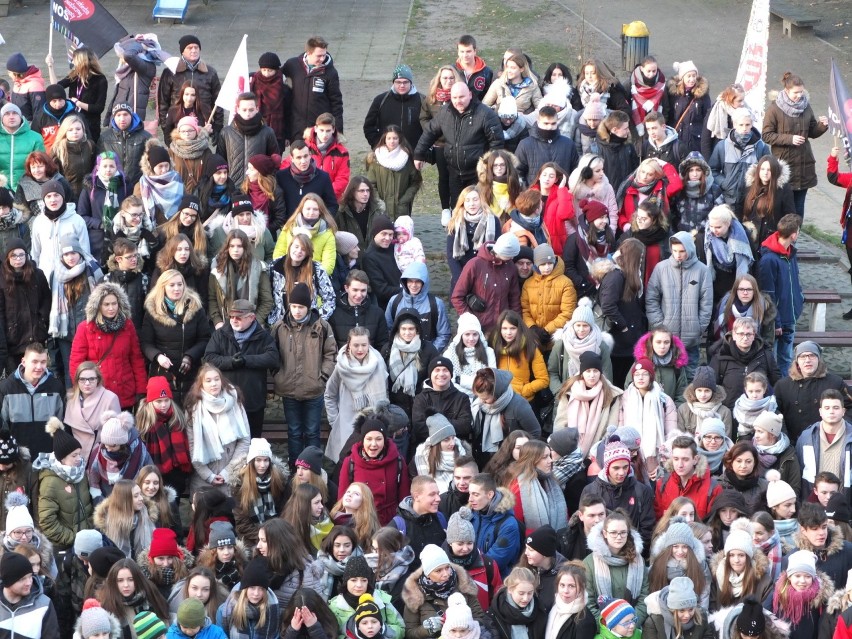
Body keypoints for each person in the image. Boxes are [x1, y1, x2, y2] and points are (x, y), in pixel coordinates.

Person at [270, 282, 336, 464]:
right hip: (289, 389)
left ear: (308, 306)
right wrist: (278, 374)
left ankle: (313, 468)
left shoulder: (321, 326)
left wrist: (322, 376)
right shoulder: (279, 327)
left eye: (301, 307)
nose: (297, 311)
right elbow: (271, 353)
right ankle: (295, 469)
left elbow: (331, 353)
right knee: (294, 431)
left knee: (312, 431)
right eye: (294, 306)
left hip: (313, 389)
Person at [413, 82, 503, 206]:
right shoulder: (445, 112)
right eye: (454, 97)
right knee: (457, 206)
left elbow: (497, 143)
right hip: (454, 171)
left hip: (477, 173)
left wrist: (489, 168)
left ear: (470, 95)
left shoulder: (485, 114)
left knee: (477, 206)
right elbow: (430, 132)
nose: (458, 101)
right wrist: (419, 154)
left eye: (461, 97)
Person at [203, 299, 279, 439]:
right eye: (231, 317)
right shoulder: (220, 334)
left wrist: (247, 360)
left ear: (251, 317)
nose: (234, 320)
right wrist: (231, 362)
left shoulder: (263, 336)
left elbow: (273, 358)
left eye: (239, 317)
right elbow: (209, 357)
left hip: (253, 402)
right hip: (226, 402)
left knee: (253, 442)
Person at [68, 281, 146, 411]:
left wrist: (141, 390)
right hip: (97, 393)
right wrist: (82, 389)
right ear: (98, 306)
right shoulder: (85, 328)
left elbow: (136, 359)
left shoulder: (127, 326)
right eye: (106, 304)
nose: (111, 308)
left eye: (114, 303)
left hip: (124, 392)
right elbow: (76, 363)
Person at [762, 72, 828, 218]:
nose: (799, 95)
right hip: (784, 165)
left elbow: (812, 131)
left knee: (799, 208)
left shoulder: (806, 106)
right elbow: (766, 135)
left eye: (801, 92)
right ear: (786, 91)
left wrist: (822, 126)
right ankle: (780, 238)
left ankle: (794, 238)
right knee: (782, 206)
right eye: (795, 93)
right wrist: (790, 139)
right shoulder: (774, 109)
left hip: (804, 165)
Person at [645, 232, 712, 377]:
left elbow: (707, 303)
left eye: (682, 251)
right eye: (674, 251)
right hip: (665, 339)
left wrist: (698, 327)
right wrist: (659, 325)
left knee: (690, 378)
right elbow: (651, 298)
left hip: (691, 340)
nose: (678, 255)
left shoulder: (702, 270)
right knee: (664, 377)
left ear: (690, 249)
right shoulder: (661, 268)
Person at [140, 270, 211, 403]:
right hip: (162, 371)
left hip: (190, 370)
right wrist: (157, 356)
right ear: (163, 287)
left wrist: (190, 356)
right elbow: (146, 342)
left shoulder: (195, 308)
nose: (177, 288)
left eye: (180, 284)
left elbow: (205, 338)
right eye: (172, 285)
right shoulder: (152, 310)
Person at [324, 327, 389, 464]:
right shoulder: (341, 367)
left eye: (364, 345)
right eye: (356, 345)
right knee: (348, 465)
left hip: (373, 423)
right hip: (347, 425)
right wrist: (335, 420)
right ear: (349, 344)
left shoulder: (378, 362)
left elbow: (385, 394)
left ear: (369, 344)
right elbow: (329, 394)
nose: (360, 349)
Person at [401, 543, 490, 639]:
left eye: (447, 567)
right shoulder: (415, 596)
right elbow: (409, 633)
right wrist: (426, 629)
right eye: (438, 571)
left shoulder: (464, 586)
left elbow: (480, 618)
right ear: (427, 574)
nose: (446, 574)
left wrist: (465, 626)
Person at [774, 340, 852, 442]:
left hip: (827, 441)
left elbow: (850, 407)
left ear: (818, 359)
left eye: (811, 356)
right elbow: (775, 413)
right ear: (797, 361)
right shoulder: (782, 386)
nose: (807, 360)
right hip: (793, 442)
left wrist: (839, 427)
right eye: (803, 356)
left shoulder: (835, 382)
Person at [338, 418, 410, 527]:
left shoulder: (398, 461)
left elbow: (404, 497)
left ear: (384, 440)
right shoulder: (350, 462)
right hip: (359, 523)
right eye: (369, 439)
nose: (373, 444)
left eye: (378, 439)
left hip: (389, 523)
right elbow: (342, 499)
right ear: (362, 440)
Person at [757, 213, 803, 376]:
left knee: (787, 358)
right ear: (793, 234)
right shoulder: (769, 260)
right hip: (777, 322)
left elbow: (795, 281)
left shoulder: (791, 253)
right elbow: (768, 293)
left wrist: (799, 301)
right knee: (774, 361)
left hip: (790, 316)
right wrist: (775, 322)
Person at [584, 511, 649, 625]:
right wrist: (609, 626)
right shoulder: (589, 563)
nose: (619, 537)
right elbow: (588, 602)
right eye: (613, 532)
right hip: (603, 630)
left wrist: (631, 623)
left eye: (623, 532)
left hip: (633, 628)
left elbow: (644, 598)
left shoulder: (638, 561)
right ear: (604, 533)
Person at [0, 343, 64, 456]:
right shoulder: (6, 388)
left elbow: (62, 425)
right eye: (34, 362)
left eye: (43, 362)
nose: (39, 367)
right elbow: (2, 426)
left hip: (48, 457)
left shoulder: (56, 387)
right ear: (23, 362)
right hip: (17, 458)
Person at [552, 352, 623, 455]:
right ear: (582, 373)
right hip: (568, 450)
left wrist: (597, 453)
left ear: (600, 373)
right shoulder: (569, 393)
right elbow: (560, 424)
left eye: (595, 371)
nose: (592, 375)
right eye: (588, 371)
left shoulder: (612, 396)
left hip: (597, 452)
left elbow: (611, 427)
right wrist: (560, 450)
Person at [452, 234, 521, 334]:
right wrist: (471, 320)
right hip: (478, 329)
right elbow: (457, 297)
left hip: (502, 329)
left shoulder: (510, 267)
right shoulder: (475, 264)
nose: (512, 258)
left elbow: (514, 299)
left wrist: (516, 323)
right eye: (510, 256)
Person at [0, 239, 50, 375]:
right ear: (8, 257)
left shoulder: (37, 274)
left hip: (35, 337)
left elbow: (46, 300)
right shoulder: (2, 278)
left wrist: (42, 321)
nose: (18, 259)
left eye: (22, 255)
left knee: (36, 378)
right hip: (13, 340)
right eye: (14, 255)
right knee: (16, 382)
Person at [709, 317, 780, 411]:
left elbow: (777, 383)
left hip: (760, 411)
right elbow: (712, 386)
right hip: (729, 411)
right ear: (734, 335)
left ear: (754, 335)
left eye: (749, 334)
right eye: (741, 334)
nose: (745, 338)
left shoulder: (765, 355)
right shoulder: (721, 357)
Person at [208, 229, 274, 329]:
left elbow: (267, 301)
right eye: (232, 246)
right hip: (225, 325)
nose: (235, 250)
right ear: (227, 247)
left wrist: (254, 321)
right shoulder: (217, 269)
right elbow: (212, 299)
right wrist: (217, 321)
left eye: (239, 246)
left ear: (245, 247)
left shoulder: (258, 268)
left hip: (251, 324)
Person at [157, 35, 222, 137]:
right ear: (182, 51)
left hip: (202, 124)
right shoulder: (170, 72)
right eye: (190, 48)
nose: (194, 50)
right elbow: (163, 102)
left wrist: (217, 126)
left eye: (196, 47)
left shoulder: (210, 72)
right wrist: (166, 128)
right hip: (177, 124)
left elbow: (218, 100)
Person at [283, 36, 344, 141]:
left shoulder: (330, 72)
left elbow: (336, 103)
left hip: (319, 130)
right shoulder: (292, 65)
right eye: (319, 56)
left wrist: (338, 131)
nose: (322, 59)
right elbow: (275, 77)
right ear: (309, 53)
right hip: (297, 128)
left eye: (324, 55)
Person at [782, 502, 852, 592]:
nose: (821, 533)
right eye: (815, 529)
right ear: (803, 530)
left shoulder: (848, 550)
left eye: (824, 527)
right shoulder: (792, 559)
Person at [709, 108, 769, 214]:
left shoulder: (761, 147)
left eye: (748, 124)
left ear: (752, 125)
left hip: (752, 198)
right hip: (728, 198)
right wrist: (724, 183)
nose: (744, 128)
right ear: (734, 125)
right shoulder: (722, 146)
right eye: (741, 125)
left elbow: (769, 171)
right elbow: (712, 170)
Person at [45, 48, 107, 145]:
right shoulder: (75, 75)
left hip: (90, 125)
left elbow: (99, 108)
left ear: (81, 60)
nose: (72, 61)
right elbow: (56, 88)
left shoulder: (100, 79)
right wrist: (50, 66)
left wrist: (78, 103)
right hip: (72, 122)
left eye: (74, 59)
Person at [445, 186, 502, 291]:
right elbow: (450, 255)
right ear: (463, 203)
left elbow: (497, 250)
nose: (472, 204)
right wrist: (461, 279)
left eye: (475, 199)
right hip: (461, 275)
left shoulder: (493, 221)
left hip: (486, 277)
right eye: (467, 200)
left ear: (481, 200)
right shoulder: (454, 222)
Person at [411, 357, 473, 451]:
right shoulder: (420, 399)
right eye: (437, 370)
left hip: (456, 450)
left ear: (451, 374)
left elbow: (464, 427)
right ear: (430, 374)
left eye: (445, 370)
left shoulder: (462, 398)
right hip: (428, 450)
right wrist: (450, 425)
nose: (441, 374)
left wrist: (434, 424)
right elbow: (419, 428)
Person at [467, 473, 522, 578]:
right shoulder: (469, 515)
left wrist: (465, 565)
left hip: (497, 583)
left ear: (490, 495)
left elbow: (496, 561)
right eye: (469, 494)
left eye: (476, 494)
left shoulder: (508, 524)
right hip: (472, 578)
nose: (470, 499)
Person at [217, 92, 279, 186]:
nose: (247, 113)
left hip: (259, 188)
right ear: (238, 109)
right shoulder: (226, 133)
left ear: (257, 109)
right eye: (244, 109)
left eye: (251, 110)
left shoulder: (267, 132)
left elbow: (274, 162)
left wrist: (267, 183)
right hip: (233, 188)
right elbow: (220, 163)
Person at [386, 261, 450, 351]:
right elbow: (388, 329)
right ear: (405, 282)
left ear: (424, 283)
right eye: (410, 281)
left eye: (418, 282)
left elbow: (443, 335)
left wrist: (430, 353)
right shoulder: (394, 301)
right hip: (400, 353)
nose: (413, 285)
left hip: (426, 356)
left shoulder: (436, 304)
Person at [654, 435, 722, 520]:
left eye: (685, 459)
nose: (680, 465)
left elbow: (713, 525)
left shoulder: (713, 489)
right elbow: (658, 520)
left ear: (695, 459)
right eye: (676, 459)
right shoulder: (662, 484)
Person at [365, 125, 422, 222]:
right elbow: (371, 184)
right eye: (389, 138)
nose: (392, 141)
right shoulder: (376, 159)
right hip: (381, 209)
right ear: (384, 139)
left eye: (395, 138)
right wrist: (378, 201)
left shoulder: (407, 158)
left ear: (399, 139)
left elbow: (415, 181)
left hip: (401, 210)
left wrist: (404, 201)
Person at [216, 556, 280, 638]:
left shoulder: (273, 609)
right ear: (244, 589)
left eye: (261, 589)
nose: (256, 593)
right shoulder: (224, 610)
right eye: (252, 588)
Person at [363, 64, 424, 151]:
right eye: (398, 82)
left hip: (413, 155)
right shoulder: (380, 100)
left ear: (411, 82)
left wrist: (422, 152)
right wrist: (377, 145)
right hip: (386, 154)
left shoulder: (422, 101)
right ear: (393, 82)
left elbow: (429, 128)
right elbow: (368, 126)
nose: (402, 85)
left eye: (405, 82)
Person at [742, 155, 796, 250]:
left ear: (774, 171)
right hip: (751, 239)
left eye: (769, 170)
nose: (765, 173)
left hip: (772, 240)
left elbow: (790, 215)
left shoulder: (783, 189)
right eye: (762, 169)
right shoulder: (750, 187)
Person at [0, 551, 59, 637]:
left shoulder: (44, 605)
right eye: (22, 579)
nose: (29, 583)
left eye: (30, 576)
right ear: (8, 581)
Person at [514, 107, 578, 186]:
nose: (549, 127)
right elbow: (517, 172)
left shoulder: (568, 144)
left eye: (553, 123)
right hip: (535, 195)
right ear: (538, 122)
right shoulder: (525, 144)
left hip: (561, 195)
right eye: (546, 123)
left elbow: (575, 172)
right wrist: (527, 192)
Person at [97, 103, 152, 192]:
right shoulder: (105, 138)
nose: (122, 119)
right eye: (118, 115)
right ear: (114, 117)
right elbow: (99, 164)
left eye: (125, 114)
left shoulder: (145, 137)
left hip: (138, 186)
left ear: (131, 115)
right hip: (113, 186)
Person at [443, 313, 496, 402]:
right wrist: (478, 384)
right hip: (457, 401)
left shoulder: (488, 352)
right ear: (461, 335)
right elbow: (449, 383)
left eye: (475, 334)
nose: (471, 338)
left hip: (483, 401)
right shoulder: (449, 353)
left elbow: (492, 380)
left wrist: (460, 380)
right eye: (467, 334)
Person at [296, 113, 350, 201]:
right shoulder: (304, 147)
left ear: (333, 130)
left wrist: (326, 194)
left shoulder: (342, 152)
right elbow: (290, 166)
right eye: (322, 130)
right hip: (306, 198)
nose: (325, 135)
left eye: (328, 131)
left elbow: (342, 178)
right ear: (316, 129)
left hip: (330, 198)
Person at [714, 274, 778, 347]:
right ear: (736, 290)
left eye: (749, 289)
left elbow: (768, 340)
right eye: (741, 289)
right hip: (728, 350)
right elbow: (718, 335)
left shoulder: (765, 307)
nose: (745, 293)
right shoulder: (725, 306)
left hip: (756, 352)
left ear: (755, 290)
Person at [671, 151, 724, 236]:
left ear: (703, 171)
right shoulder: (679, 191)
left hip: (707, 237)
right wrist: (679, 226)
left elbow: (720, 215)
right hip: (683, 237)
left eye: (698, 170)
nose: (694, 174)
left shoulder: (714, 190)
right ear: (686, 172)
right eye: (691, 170)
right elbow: (672, 213)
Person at [665, 61, 711, 156]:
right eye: (688, 76)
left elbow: (707, 118)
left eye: (694, 76)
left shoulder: (703, 95)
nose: (692, 79)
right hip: (677, 139)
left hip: (695, 141)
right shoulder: (674, 94)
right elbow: (669, 115)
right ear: (682, 78)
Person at [643, 576, 710, 639]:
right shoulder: (654, 622)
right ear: (672, 609)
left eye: (691, 609)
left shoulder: (701, 618)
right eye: (681, 610)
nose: (687, 615)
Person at [136, 141, 185, 224]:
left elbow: (184, 200)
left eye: (166, 165)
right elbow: (138, 207)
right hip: (156, 227)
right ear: (151, 166)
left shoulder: (176, 178)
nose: (164, 170)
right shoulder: (143, 184)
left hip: (176, 223)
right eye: (160, 166)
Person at [0, 104, 46, 192]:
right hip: (1, 189)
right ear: (1, 118)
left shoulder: (35, 137)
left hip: (28, 188)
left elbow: (41, 166)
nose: (11, 117)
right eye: (7, 114)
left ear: (21, 116)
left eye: (15, 113)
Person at [250, 52, 290, 151]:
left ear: (276, 70)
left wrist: (287, 135)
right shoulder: (253, 83)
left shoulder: (284, 88)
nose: (266, 74)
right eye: (264, 70)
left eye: (270, 70)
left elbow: (289, 113)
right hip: (256, 132)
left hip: (278, 134)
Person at [336, 177, 388, 253]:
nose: (365, 194)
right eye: (361, 191)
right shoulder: (342, 212)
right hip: (350, 258)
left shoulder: (377, 211)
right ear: (352, 192)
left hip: (372, 257)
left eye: (368, 190)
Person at [568, 155, 618, 232]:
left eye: (602, 169)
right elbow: (568, 220)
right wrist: (576, 238)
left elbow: (613, 214)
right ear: (586, 172)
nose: (602, 173)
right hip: (579, 239)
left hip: (604, 236)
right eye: (598, 171)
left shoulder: (608, 188)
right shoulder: (574, 191)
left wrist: (611, 233)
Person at [595, 111, 638, 197]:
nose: (628, 131)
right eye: (625, 128)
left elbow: (635, 170)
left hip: (627, 195)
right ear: (614, 130)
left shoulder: (628, 146)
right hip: (605, 196)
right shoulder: (596, 149)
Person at [168, 116, 213, 196]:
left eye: (190, 130)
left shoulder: (205, 150)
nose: (187, 133)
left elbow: (210, 174)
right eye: (183, 131)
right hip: (178, 196)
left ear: (196, 131)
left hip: (199, 195)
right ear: (179, 132)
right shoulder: (172, 151)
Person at [702, 83, 747, 160]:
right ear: (730, 100)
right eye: (739, 101)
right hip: (719, 157)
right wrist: (709, 163)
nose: (743, 103)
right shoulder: (716, 111)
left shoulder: (746, 112)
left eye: (743, 99)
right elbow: (705, 140)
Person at [31, 84, 75, 154]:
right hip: (48, 158)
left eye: (60, 100)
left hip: (70, 156)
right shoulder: (39, 117)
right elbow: (34, 139)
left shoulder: (74, 114)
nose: (58, 104)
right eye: (54, 101)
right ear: (48, 101)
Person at [6, 53, 46, 121]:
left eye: (9, 72)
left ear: (16, 73)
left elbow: (39, 113)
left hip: (29, 127)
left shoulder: (35, 86)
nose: (8, 74)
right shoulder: (17, 83)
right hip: (17, 123)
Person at [454, 35, 494, 101]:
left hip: (479, 109)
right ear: (458, 52)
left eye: (468, 51)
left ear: (475, 51)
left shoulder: (487, 72)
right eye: (462, 51)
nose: (465, 55)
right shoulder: (452, 71)